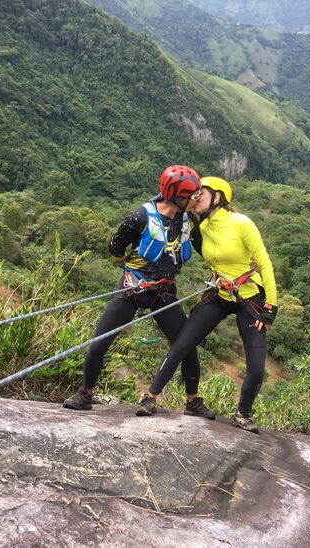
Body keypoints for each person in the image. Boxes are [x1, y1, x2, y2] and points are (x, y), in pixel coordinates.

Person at [63, 165, 215, 420]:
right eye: (192, 195)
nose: (196, 199)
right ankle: (85, 394)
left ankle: (192, 401)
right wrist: (131, 272)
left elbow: (205, 250)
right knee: (100, 342)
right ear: (178, 196)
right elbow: (116, 246)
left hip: (163, 292)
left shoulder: (189, 221)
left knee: (187, 346)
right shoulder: (141, 216)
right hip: (132, 288)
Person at [136, 176, 277, 433]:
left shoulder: (242, 223)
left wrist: (271, 307)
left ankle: (243, 414)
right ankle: (151, 397)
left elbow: (265, 263)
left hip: (250, 298)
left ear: (218, 197)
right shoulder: (200, 228)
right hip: (218, 294)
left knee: (256, 366)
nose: (194, 198)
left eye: (200, 194)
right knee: (183, 343)